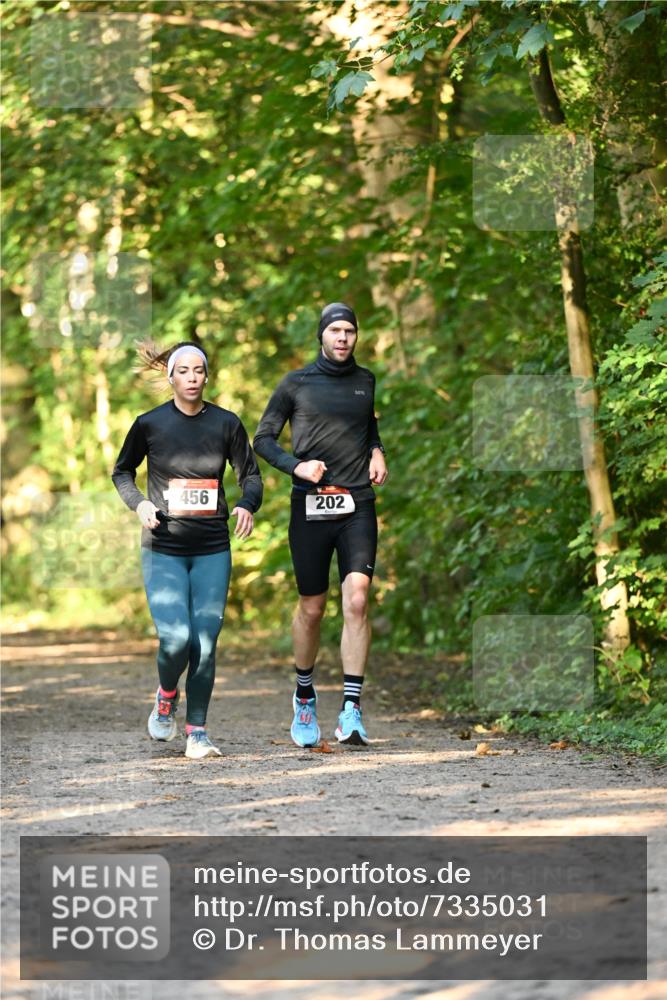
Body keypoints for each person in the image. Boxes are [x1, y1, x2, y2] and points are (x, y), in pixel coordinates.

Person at [111, 341, 262, 759]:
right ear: (170, 377)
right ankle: (165, 693)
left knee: (206, 643)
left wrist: (247, 504)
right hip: (164, 547)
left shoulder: (227, 424)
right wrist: (140, 503)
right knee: (175, 639)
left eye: (200, 371)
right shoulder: (150, 424)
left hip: (213, 546)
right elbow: (122, 471)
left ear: (206, 376)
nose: (192, 378)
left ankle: (197, 731)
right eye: (185, 371)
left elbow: (250, 475)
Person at [253, 302, 387, 748]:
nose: (343, 338)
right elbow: (263, 440)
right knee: (312, 609)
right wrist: (296, 467)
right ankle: (305, 694)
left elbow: (368, 429)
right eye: (336, 331)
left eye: (350, 331)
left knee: (358, 599)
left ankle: (351, 709)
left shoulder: (366, 382)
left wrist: (377, 450)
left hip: (357, 505)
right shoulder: (295, 384)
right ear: (322, 336)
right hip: (310, 507)